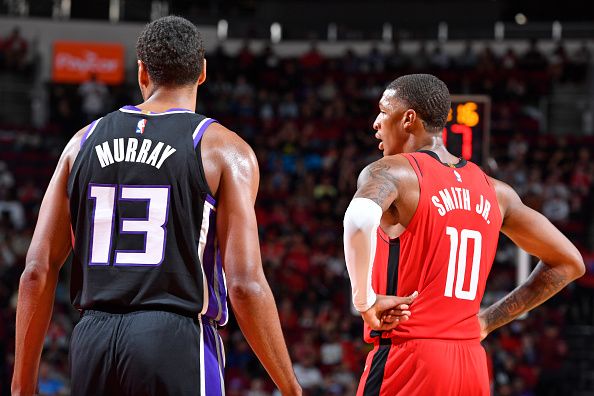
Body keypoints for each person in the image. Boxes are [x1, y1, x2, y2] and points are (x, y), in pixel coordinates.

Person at [12, 16, 301, 396]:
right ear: (201, 73)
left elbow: (36, 271)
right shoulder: (224, 149)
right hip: (175, 338)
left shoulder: (80, 143)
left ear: (141, 72)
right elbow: (245, 285)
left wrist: (21, 385)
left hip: (93, 341)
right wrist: (290, 387)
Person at [342, 74, 585, 395]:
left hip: (411, 359)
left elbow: (358, 220)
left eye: (384, 112)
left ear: (408, 119)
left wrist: (365, 300)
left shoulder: (392, 172)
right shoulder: (496, 191)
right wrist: (487, 321)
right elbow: (570, 263)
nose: (376, 122)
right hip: (471, 362)